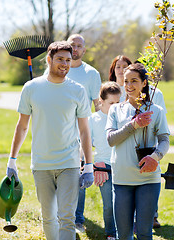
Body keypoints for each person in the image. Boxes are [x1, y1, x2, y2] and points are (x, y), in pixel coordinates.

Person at [6, 41, 94, 240]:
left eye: (68, 60)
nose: (64, 64)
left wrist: (88, 165)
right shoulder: (31, 88)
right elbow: (21, 126)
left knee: (67, 217)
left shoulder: (78, 90)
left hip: (69, 163)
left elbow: (85, 131)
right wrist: (12, 160)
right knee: (48, 217)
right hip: (41, 163)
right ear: (49, 60)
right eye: (60, 59)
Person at [106, 63, 170, 239]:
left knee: (144, 233)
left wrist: (155, 157)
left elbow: (164, 140)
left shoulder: (156, 111)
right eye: (126, 81)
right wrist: (133, 125)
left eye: (134, 81)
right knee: (124, 235)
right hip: (121, 179)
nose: (129, 85)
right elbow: (111, 140)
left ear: (144, 83)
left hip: (148, 179)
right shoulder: (115, 110)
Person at [66, 34, 102, 233]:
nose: (75, 49)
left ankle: (78, 219)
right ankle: (58, 214)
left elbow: (97, 105)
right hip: (59, 131)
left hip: (81, 132)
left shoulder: (91, 74)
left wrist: (96, 133)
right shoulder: (58, 68)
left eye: (79, 46)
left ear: (84, 50)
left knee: (80, 174)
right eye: (72, 45)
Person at [89, 82, 121, 240]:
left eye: (117, 103)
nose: (115, 107)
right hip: (103, 167)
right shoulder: (93, 119)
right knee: (109, 205)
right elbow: (85, 144)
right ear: (101, 101)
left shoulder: (122, 118)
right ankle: (111, 234)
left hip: (121, 165)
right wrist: (93, 165)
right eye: (111, 103)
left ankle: (125, 232)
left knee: (122, 205)